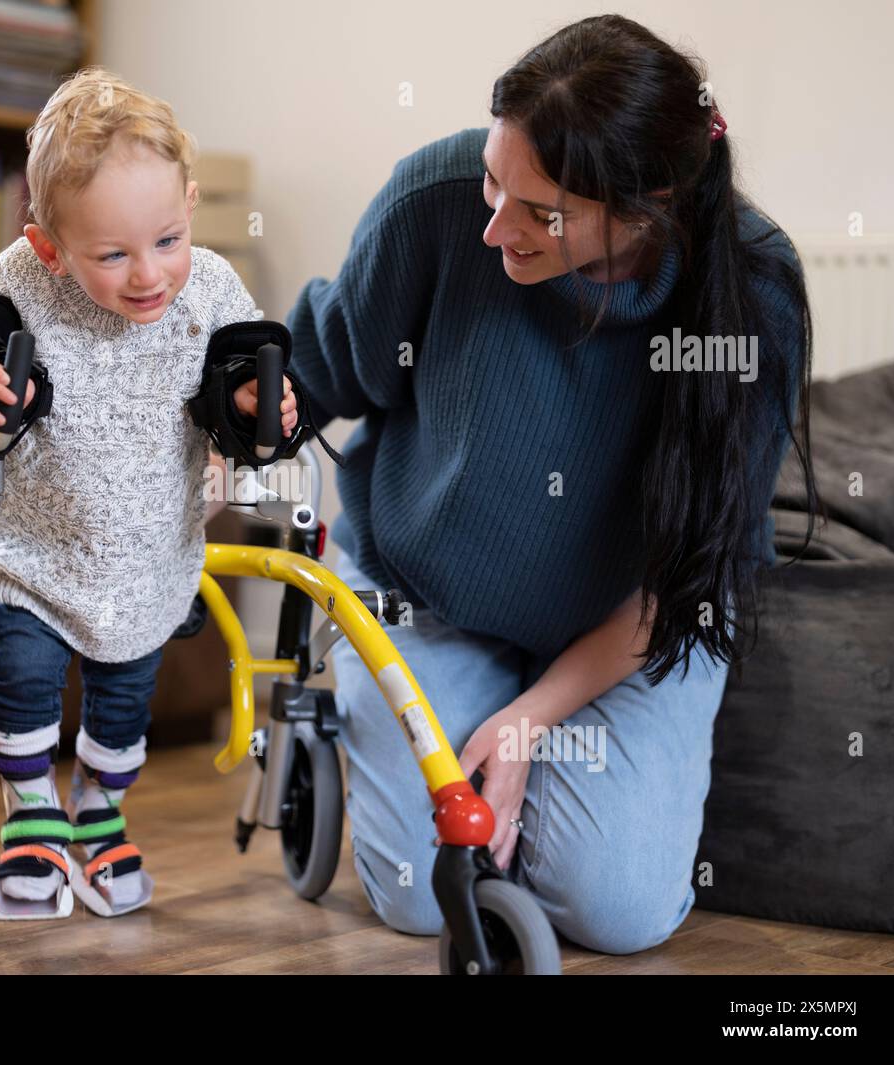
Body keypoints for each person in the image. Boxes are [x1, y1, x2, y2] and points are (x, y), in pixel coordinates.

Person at [286, 14, 817, 953]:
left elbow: (688, 573)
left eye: (544, 212)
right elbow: (317, 371)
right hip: (429, 595)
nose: (497, 226)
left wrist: (533, 721)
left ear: (647, 209)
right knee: (422, 889)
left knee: (617, 908)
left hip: (633, 627)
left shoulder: (753, 291)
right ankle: (368, 723)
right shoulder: (437, 202)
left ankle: (512, 742)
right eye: (497, 180)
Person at [0, 67, 299, 920]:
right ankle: (31, 813)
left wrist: (257, 402)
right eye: (113, 254)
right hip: (37, 552)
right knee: (24, 677)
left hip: (150, 560)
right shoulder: (20, 282)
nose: (149, 275)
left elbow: (243, 370)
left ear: (190, 206)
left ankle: (100, 811)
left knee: (126, 701)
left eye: (167, 238)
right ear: (49, 246)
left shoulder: (206, 288)